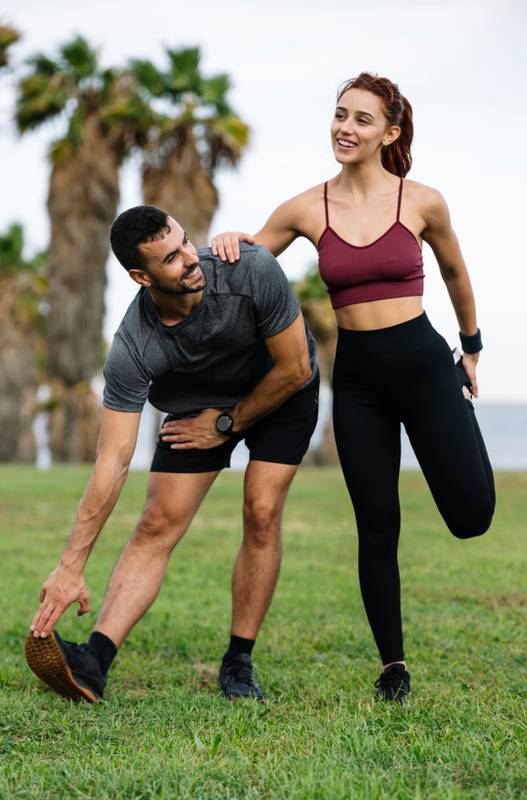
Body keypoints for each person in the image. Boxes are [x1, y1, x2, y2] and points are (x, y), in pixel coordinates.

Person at [207, 72, 496, 702]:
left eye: (363, 119)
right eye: (341, 114)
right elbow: (254, 261)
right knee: (376, 523)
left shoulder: (421, 200)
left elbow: (454, 272)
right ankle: (392, 665)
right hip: (358, 377)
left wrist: (469, 349)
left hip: (425, 364)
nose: (346, 127)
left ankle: (460, 424)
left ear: (389, 132)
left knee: (473, 517)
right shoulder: (308, 207)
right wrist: (232, 240)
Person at [25, 205, 319, 703]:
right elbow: (113, 461)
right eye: (171, 257)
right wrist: (70, 566)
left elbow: (294, 369)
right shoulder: (134, 346)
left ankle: (239, 661)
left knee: (262, 511)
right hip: (196, 409)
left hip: (280, 390)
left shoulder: (248, 270)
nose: (190, 258)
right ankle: (95, 660)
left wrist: (225, 425)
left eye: (186, 242)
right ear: (142, 277)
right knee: (157, 522)